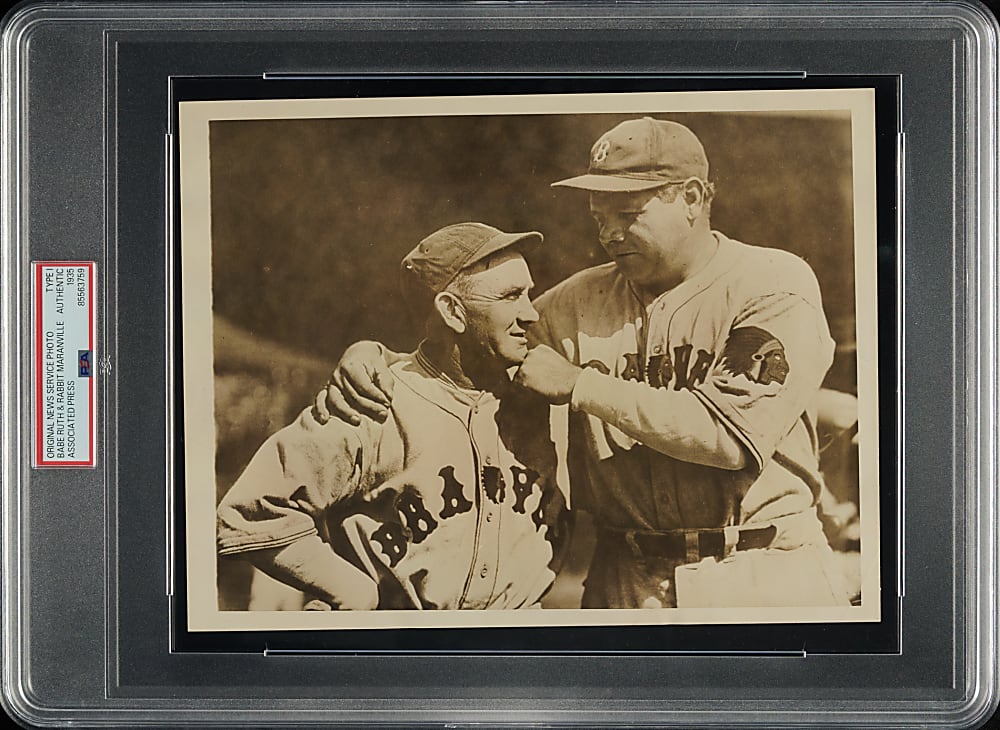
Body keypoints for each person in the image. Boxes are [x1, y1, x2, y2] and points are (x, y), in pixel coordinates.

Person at [316, 118, 851, 610]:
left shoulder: (773, 283)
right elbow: (464, 354)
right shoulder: (573, 304)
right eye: (599, 218)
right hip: (627, 577)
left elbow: (727, 435)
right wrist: (376, 359)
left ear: (691, 198)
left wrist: (578, 384)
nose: (609, 234)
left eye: (628, 214)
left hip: (765, 569)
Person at [218, 222, 565, 610]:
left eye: (529, 294)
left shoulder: (539, 395)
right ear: (452, 312)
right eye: (511, 296)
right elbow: (251, 510)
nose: (532, 313)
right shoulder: (371, 400)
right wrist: (349, 588)